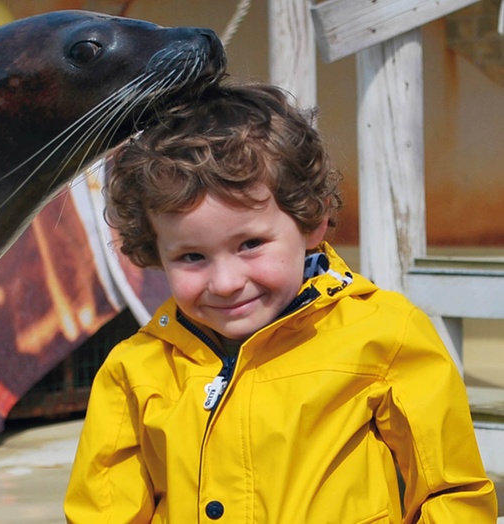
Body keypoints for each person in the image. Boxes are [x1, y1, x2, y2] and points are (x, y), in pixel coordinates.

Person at [63, 80, 497, 523]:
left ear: (312, 220)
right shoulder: (133, 371)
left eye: (250, 244)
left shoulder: (386, 336)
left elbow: (451, 494)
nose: (227, 282)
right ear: (155, 249)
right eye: (192, 256)